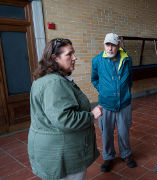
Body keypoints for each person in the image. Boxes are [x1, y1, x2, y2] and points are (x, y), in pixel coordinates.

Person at [28, 38, 102, 180]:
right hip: (62, 153)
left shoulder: (44, 79)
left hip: (51, 149)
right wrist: (92, 115)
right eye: (69, 54)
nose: (75, 58)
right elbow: (65, 119)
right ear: (54, 58)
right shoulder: (54, 82)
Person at [91, 33, 137, 172]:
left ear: (118, 46)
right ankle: (108, 157)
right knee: (106, 133)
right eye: (107, 45)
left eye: (113, 45)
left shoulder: (127, 59)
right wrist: (103, 90)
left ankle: (126, 154)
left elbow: (130, 79)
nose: (110, 48)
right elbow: (94, 79)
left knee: (124, 132)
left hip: (124, 104)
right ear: (104, 45)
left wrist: (125, 92)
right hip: (106, 105)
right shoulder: (97, 60)